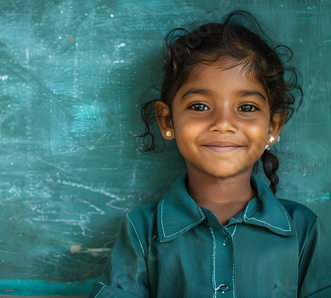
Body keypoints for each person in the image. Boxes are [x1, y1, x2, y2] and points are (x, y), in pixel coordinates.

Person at [89, 10, 331, 297]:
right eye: (200, 106)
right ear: (167, 121)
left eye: (247, 108)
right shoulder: (141, 232)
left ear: (273, 125)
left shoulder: (302, 230)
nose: (224, 124)